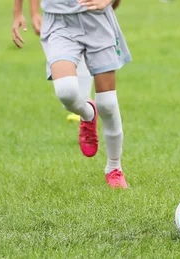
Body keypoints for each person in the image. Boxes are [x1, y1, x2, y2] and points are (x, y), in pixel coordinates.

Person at [11, 0, 130, 188]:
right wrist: (19, 12)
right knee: (66, 92)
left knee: (107, 103)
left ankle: (114, 168)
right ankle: (88, 113)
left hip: (97, 21)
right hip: (59, 24)